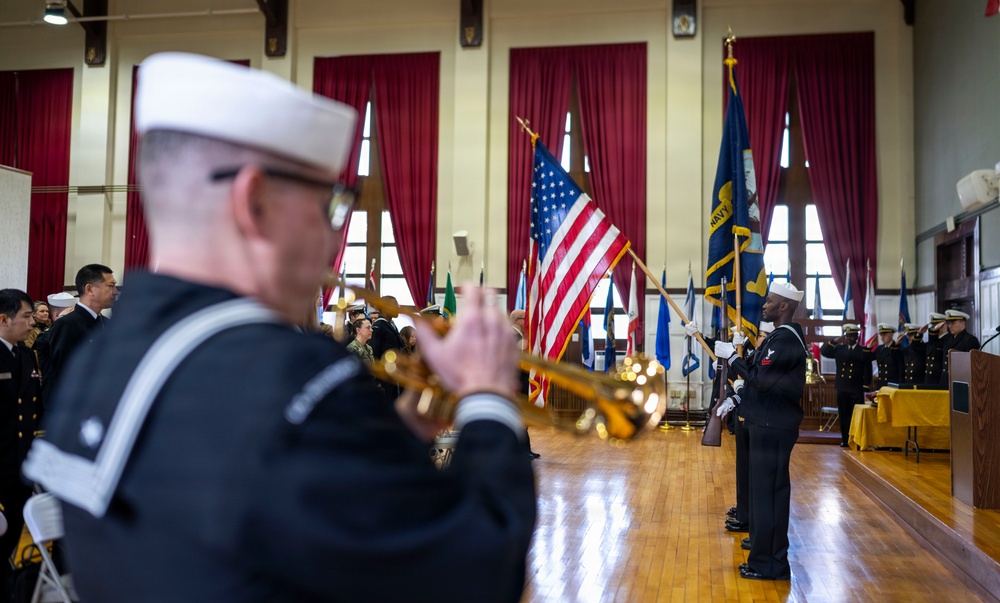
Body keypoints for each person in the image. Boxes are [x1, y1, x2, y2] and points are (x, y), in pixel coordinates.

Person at [24, 53, 535, 603]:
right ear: (256, 201)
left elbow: (254, 515)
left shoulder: (95, 358)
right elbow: (477, 570)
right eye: (329, 206)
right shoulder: (291, 375)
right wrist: (488, 399)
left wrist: (396, 434)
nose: (328, 239)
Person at [714, 282, 806, 581]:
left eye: (770, 301)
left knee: (769, 497)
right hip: (766, 422)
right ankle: (765, 558)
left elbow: (760, 379)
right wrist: (738, 392)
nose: (764, 305)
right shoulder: (777, 338)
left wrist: (732, 358)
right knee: (765, 495)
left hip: (772, 425)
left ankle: (769, 564)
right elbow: (758, 378)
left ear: (783, 307)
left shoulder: (785, 340)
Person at [0, 289, 43, 592]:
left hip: (20, 465)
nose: (33, 323)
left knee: (14, 528)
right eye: (27, 316)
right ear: (3, 319)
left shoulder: (26, 353)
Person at [34, 264, 117, 400]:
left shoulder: (106, 324)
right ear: (89, 289)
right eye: (110, 285)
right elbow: (63, 373)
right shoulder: (67, 324)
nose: (115, 292)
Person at [820, 324, 874, 447]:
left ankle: (857, 440)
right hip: (842, 387)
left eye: (851, 336)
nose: (849, 338)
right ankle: (845, 439)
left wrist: (866, 386)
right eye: (847, 336)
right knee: (844, 415)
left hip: (856, 388)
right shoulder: (839, 349)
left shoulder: (862, 350)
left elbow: (867, 369)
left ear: (857, 336)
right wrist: (834, 341)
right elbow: (824, 352)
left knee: (857, 416)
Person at [941, 309, 980, 384]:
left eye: (953, 323)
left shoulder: (970, 340)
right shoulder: (948, 339)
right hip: (945, 380)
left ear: (962, 323)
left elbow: (973, 364)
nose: (950, 326)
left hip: (960, 381)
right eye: (949, 323)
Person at [873, 323, 903, 388]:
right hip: (881, 384)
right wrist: (869, 347)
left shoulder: (898, 349)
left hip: (893, 384)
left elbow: (901, 369)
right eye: (881, 335)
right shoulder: (879, 349)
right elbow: (866, 358)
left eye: (884, 334)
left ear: (891, 335)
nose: (882, 337)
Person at [923, 312, 949, 386]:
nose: (934, 327)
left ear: (943, 325)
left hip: (939, 379)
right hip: (929, 379)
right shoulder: (933, 340)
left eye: (936, 324)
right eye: (932, 325)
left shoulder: (947, 339)